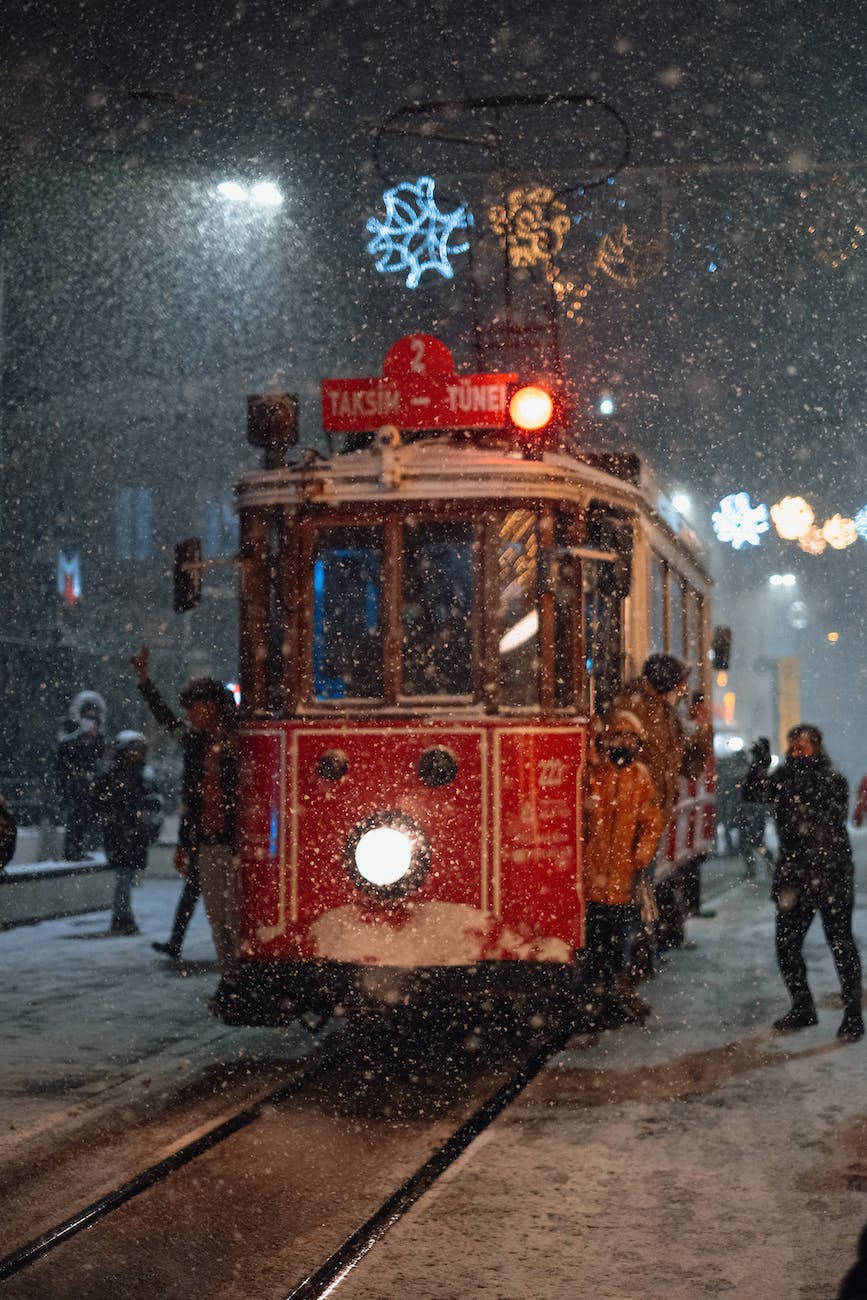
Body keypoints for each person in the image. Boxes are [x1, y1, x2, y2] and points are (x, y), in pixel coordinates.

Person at [742, 725, 864, 1041]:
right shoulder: (784, 777)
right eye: (793, 747)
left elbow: (822, 814)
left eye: (803, 747)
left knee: (841, 944)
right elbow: (752, 793)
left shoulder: (832, 778)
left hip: (830, 875)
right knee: (787, 945)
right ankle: (803, 1006)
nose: (797, 753)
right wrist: (759, 766)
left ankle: (852, 1015)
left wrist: (789, 787)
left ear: (817, 748)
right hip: (795, 877)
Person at [131, 647, 239, 997]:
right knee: (219, 917)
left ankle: (241, 976)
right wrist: (145, 683)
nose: (189, 714)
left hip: (236, 842)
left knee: (235, 916)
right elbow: (193, 802)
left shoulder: (242, 742)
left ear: (211, 708)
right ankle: (232, 978)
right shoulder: (196, 744)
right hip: (207, 841)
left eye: (195, 706)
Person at [614, 654, 713, 966]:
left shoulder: (665, 714)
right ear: (665, 682)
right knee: (633, 890)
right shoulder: (636, 709)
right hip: (633, 815)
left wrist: (703, 729)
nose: (683, 690)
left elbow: (688, 766)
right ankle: (629, 961)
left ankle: (639, 956)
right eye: (681, 682)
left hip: (652, 817)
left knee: (643, 888)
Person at [583, 708, 663, 1027]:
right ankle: (597, 1001)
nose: (624, 743)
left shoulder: (640, 777)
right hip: (593, 881)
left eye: (630, 738)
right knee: (595, 945)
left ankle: (612, 998)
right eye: (618, 737)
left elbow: (650, 823)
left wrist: (641, 857)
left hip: (623, 880)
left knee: (617, 945)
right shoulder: (593, 776)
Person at [94, 731, 163, 935]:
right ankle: (123, 917)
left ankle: (122, 916)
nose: (137, 754)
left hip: (133, 834)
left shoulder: (141, 774)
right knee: (124, 876)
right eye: (133, 750)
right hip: (122, 834)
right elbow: (102, 802)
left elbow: (153, 802)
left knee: (126, 876)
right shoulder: (119, 775)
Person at [53, 690, 107, 859]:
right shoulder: (70, 736)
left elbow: (101, 759)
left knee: (87, 818)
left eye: (93, 716)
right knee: (76, 818)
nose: (89, 720)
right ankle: (73, 851)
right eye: (87, 715)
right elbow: (62, 758)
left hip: (90, 786)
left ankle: (82, 849)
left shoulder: (98, 739)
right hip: (74, 785)